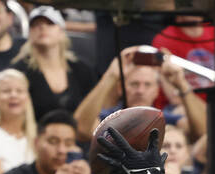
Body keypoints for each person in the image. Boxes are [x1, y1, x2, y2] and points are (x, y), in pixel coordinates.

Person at [73, 44, 207, 146]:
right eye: (134, 84)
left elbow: (202, 133)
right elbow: (80, 130)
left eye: (147, 85)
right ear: (121, 88)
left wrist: (182, 85)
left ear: (156, 91)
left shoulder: (168, 120)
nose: (140, 91)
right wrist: (111, 76)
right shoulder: (107, 119)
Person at [7, 6, 97, 122]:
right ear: (30, 33)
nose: (42, 27)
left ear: (61, 30)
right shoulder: (19, 71)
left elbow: (96, 110)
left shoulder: (82, 69)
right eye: (35, 24)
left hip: (79, 137)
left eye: (49, 23)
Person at [0, 68, 35, 174]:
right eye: (6, 91)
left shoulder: (37, 139)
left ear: (27, 99)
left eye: (19, 91)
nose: (13, 95)